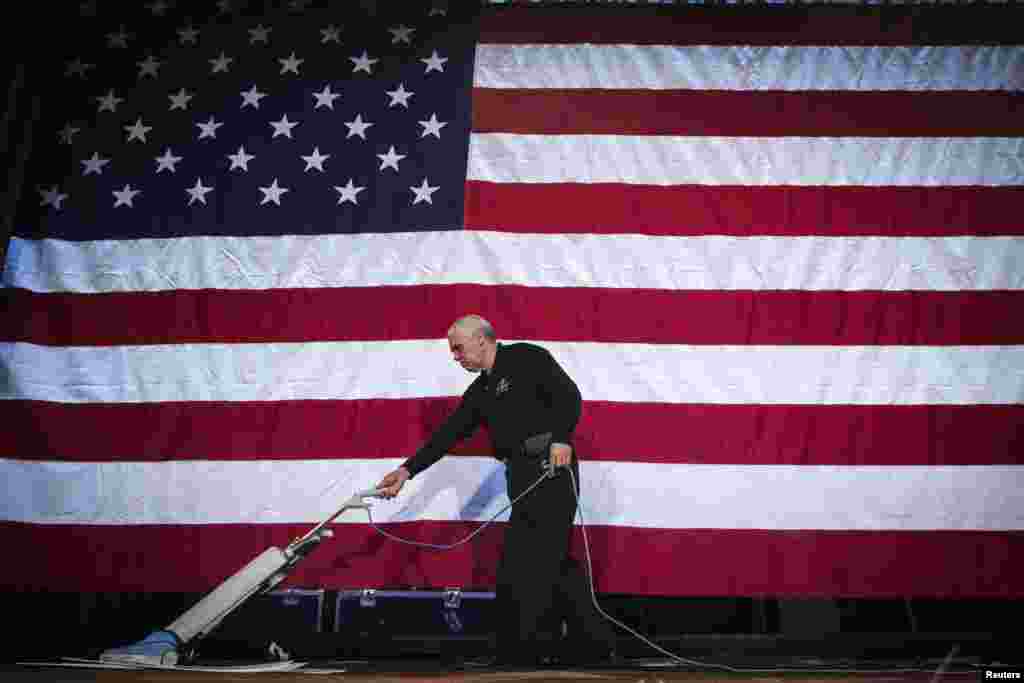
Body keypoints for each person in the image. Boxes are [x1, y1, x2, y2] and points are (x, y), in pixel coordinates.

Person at [375, 314, 617, 666]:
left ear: (481, 340)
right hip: (521, 476)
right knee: (551, 561)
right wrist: (407, 470)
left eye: (458, 349)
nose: (455, 357)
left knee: (529, 565)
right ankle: (593, 645)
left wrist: (562, 438)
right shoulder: (481, 391)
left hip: (550, 470)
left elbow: (569, 396)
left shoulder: (526, 358)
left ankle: (522, 649)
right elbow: (449, 433)